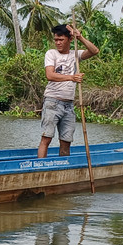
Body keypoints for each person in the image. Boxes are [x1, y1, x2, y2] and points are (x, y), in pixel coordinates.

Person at [38, 23, 99, 159]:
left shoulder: (75, 54)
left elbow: (94, 51)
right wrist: (71, 77)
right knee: (46, 138)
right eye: (56, 40)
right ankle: (40, 169)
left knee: (66, 141)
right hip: (52, 102)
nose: (58, 43)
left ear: (69, 40)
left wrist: (80, 37)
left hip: (68, 105)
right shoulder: (51, 53)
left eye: (61, 40)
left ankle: (63, 167)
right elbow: (50, 75)